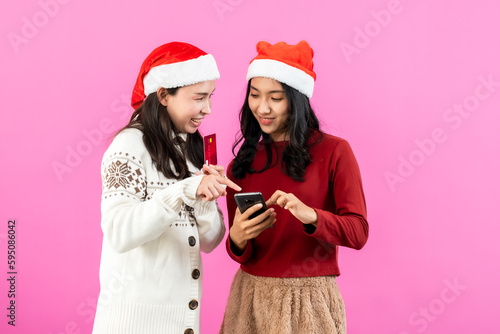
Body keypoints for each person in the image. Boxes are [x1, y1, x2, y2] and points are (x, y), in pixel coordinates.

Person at [219, 40, 369, 334]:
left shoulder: (335, 152)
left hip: (309, 302)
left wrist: (311, 215)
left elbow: (358, 232)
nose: (263, 107)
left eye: (276, 98)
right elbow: (243, 253)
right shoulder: (241, 165)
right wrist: (236, 238)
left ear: (297, 99)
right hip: (249, 299)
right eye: (254, 95)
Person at [92, 42, 240, 334]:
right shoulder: (129, 146)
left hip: (182, 325)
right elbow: (120, 233)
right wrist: (183, 191)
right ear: (163, 95)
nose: (207, 109)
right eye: (199, 98)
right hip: (133, 325)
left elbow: (210, 242)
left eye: (210, 97)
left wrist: (205, 199)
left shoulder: (191, 149)